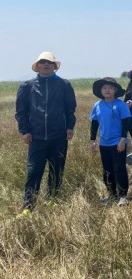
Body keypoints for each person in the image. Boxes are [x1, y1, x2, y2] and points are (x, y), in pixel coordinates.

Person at [15, 52, 77, 215]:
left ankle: (52, 199)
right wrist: (25, 131)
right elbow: (21, 111)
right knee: (34, 171)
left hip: (59, 135)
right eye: (43, 62)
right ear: (38, 65)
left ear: (55, 66)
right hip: (36, 137)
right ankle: (28, 205)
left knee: (57, 169)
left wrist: (70, 127)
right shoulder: (27, 86)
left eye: (50, 62)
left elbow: (70, 108)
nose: (46, 64)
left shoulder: (64, 84)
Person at [90, 77, 131, 206]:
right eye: (105, 88)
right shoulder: (97, 105)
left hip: (118, 142)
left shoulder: (121, 105)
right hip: (104, 143)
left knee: (119, 168)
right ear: (101, 90)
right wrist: (92, 140)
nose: (107, 90)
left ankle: (123, 195)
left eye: (110, 88)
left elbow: (126, 122)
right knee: (107, 169)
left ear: (115, 90)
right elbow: (94, 123)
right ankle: (112, 195)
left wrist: (123, 139)